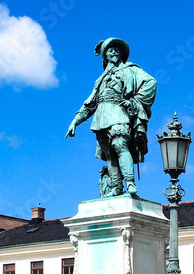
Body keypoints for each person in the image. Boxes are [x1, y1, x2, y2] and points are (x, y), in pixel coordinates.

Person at [66, 38, 157, 197]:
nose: (114, 52)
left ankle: (129, 182)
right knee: (109, 155)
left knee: (120, 145)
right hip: (101, 117)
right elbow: (90, 103)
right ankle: (117, 188)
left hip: (119, 113)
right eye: (110, 50)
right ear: (104, 55)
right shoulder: (100, 80)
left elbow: (151, 82)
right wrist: (75, 122)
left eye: (117, 49)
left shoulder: (130, 69)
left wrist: (134, 102)